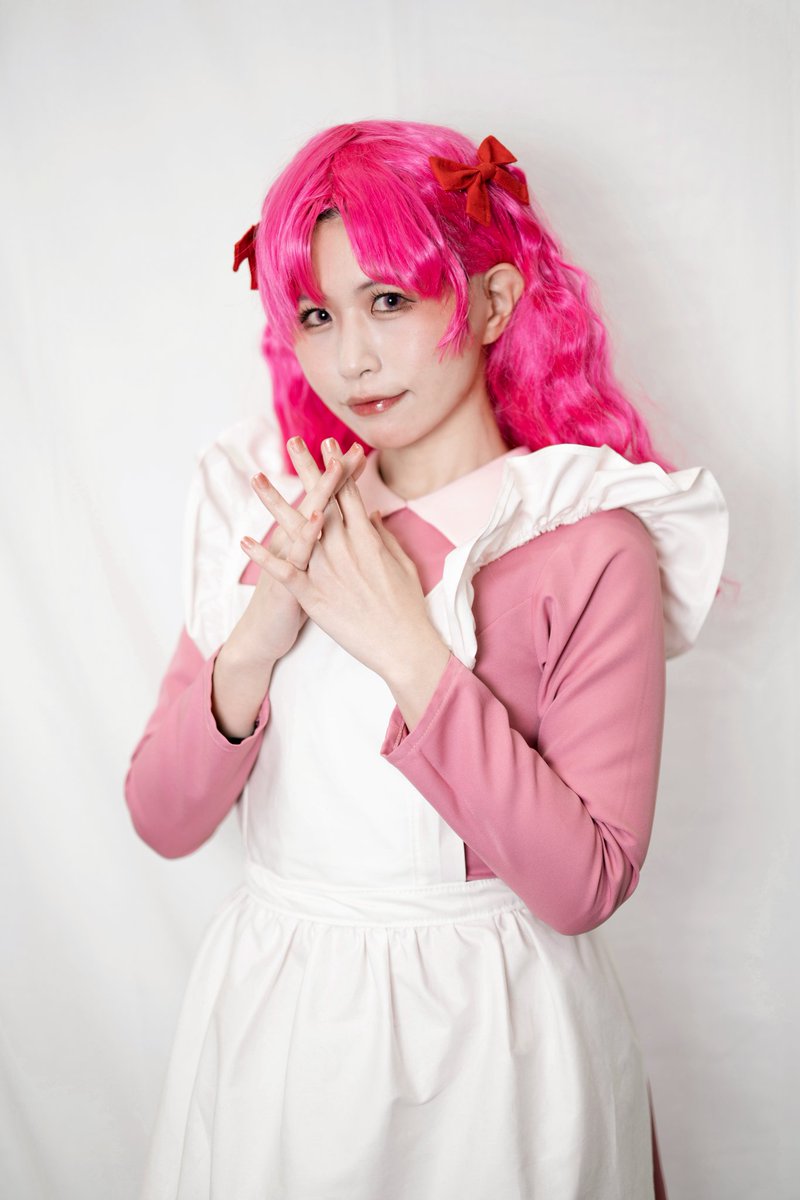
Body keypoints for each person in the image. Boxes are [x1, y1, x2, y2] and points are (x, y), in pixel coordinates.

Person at [125, 120, 730, 1199]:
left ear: (491, 303)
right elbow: (162, 818)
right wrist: (254, 641)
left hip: (498, 1052)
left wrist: (410, 649)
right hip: (282, 1033)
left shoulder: (586, 540)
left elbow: (583, 885)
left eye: (389, 302)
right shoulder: (274, 510)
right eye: (317, 315)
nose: (350, 357)